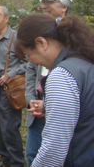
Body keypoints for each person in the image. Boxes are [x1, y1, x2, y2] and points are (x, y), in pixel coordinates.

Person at [15, 13, 94, 167]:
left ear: (41, 42)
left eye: (29, 55)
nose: (35, 63)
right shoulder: (85, 63)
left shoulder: (61, 76)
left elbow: (53, 150)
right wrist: (48, 105)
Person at [25, 0, 73, 166]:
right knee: (32, 154)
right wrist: (30, 98)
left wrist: (49, 103)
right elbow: (30, 69)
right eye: (43, 2)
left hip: (59, 109)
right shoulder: (38, 33)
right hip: (36, 108)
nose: (44, 6)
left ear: (64, 7)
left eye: (49, 2)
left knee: (57, 155)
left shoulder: (73, 38)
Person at [0, 6, 26, 167]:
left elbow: (28, 63)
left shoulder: (16, 38)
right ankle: (4, 158)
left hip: (10, 89)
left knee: (9, 126)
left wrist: (10, 74)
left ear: (6, 18)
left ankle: (16, 161)